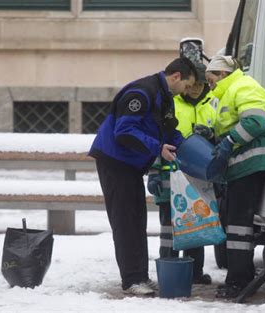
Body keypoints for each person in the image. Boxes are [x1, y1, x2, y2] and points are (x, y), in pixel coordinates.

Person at [88, 57, 197, 296]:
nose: (186, 92)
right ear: (176, 76)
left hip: (130, 165)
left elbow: (170, 131)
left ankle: (140, 276)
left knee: (137, 219)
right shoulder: (142, 92)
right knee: (126, 221)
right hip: (115, 161)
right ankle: (132, 280)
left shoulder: (164, 96)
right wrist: (158, 148)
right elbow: (124, 131)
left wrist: (193, 149)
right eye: (187, 86)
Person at [205, 55, 265, 298]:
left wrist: (228, 142)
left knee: (239, 226)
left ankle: (240, 280)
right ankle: (239, 276)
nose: (209, 83)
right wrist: (212, 134)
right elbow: (229, 123)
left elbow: (255, 122)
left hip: (249, 164)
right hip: (239, 166)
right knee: (234, 224)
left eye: (211, 78)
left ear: (223, 73)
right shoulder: (227, 91)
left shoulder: (243, 86)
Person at [147, 62, 216, 285]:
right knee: (169, 228)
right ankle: (168, 270)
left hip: (199, 178)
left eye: (200, 85)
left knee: (197, 224)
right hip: (170, 178)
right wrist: (154, 172)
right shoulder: (170, 103)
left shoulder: (214, 104)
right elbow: (157, 138)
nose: (194, 89)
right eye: (192, 84)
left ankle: (195, 272)